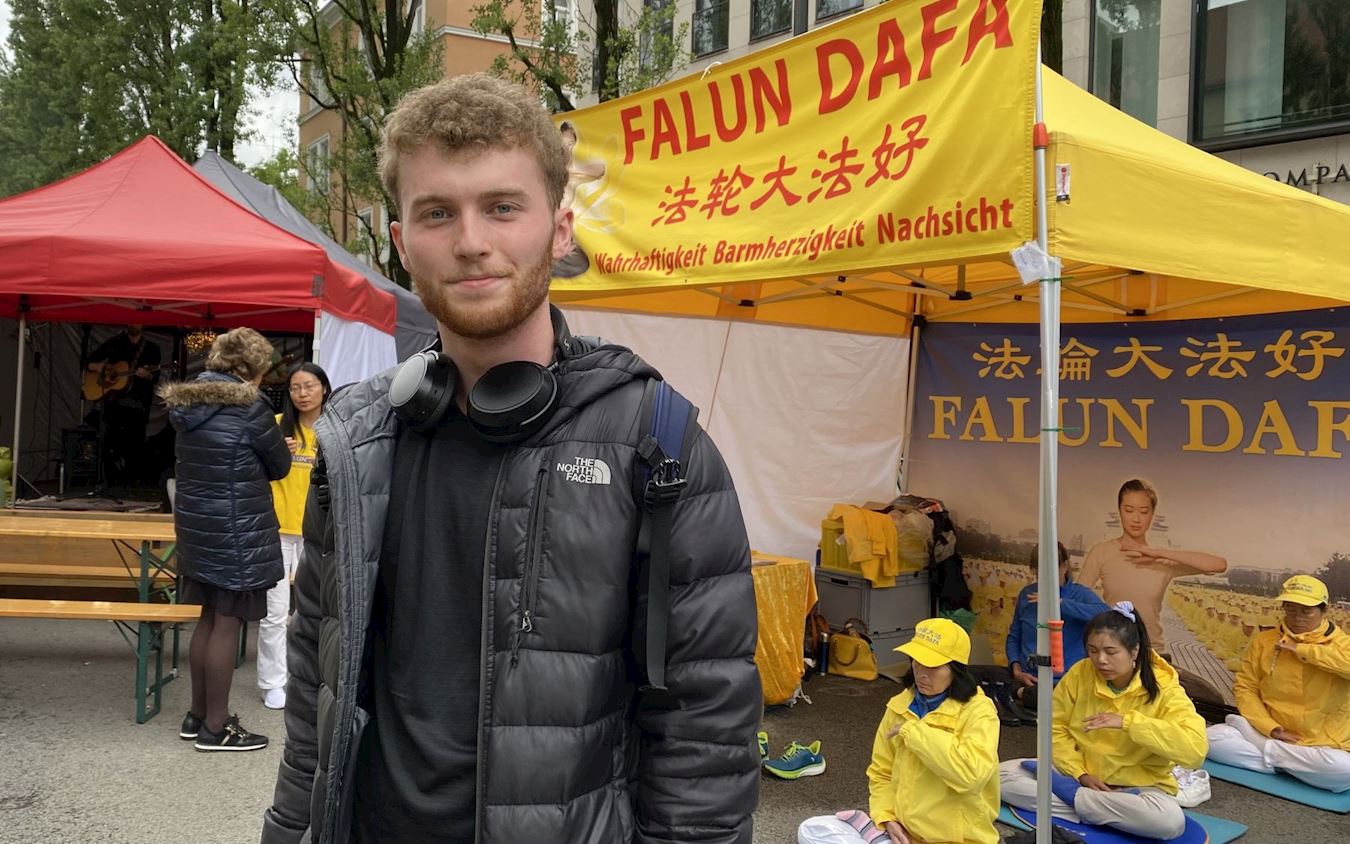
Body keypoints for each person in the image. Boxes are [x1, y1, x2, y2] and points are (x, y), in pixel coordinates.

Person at [261, 73, 761, 844]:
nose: (470, 241)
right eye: (437, 212)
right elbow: (313, 704)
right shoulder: (355, 442)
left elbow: (706, 740)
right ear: (400, 242)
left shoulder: (658, 443)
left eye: (502, 206)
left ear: (560, 231)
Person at [160, 328, 291, 752]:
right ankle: (217, 729)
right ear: (251, 368)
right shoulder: (250, 408)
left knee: (209, 618)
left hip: (197, 527)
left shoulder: (187, 404)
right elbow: (280, 465)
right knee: (228, 623)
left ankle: (197, 715)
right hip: (237, 529)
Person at [1000, 604, 1208, 839]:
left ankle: (1078, 804)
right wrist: (1080, 774)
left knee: (1169, 822)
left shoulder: (1165, 688)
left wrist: (1128, 723)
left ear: (1134, 651)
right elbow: (1054, 728)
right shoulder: (1080, 673)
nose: (1100, 660)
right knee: (1001, 776)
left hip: (1138, 788)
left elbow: (1195, 750)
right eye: (1093, 651)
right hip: (1077, 775)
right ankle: (1101, 810)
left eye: (1111, 652)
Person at [798, 618, 1001, 844]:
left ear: (956, 669)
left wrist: (914, 732)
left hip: (957, 839)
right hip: (904, 834)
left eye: (932, 666)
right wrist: (887, 817)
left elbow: (971, 776)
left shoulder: (979, 711)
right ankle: (877, 835)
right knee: (811, 829)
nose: (921, 673)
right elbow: (881, 772)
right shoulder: (900, 704)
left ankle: (872, 835)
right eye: (916, 661)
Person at [1207, 574, 1350, 793]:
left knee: (1344, 770)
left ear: (1324, 611)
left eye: (1306, 611)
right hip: (1271, 731)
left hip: (1323, 743)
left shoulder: (1343, 644)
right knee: (1211, 738)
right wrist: (1270, 728)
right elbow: (1246, 687)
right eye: (1290, 609)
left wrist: (1303, 650)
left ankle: (1267, 753)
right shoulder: (1264, 641)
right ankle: (1289, 763)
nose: (1297, 617)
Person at [1079, 479, 1227, 656]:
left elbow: (1219, 565)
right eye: (1129, 510)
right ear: (1119, 511)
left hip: (1152, 651)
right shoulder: (1102, 552)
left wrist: (1158, 553)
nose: (1136, 519)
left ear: (1152, 514)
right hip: (1112, 651)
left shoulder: (1161, 560)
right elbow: (1077, 597)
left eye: (1144, 511)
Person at [257, 363, 331, 711]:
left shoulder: (335, 429)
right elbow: (251, 473)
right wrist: (276, 456)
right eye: (296, 387)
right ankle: (272, 682)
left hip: (317, 532)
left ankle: (311, 677)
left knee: (313, 612)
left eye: (309, 386)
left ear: (324, 388)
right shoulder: (275, 427)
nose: (303, 394)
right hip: (276, 530)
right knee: (274, 614)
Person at [1004, 542, 1110, 709]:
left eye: (1052, 569)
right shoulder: (1026, 594)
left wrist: (1059, 603)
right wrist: (1016, 668)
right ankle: (1021, 692)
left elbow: (1106, 613)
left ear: (1065, 566)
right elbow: (1014, 636)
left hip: (1064, 682)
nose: (1046, 576)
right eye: (1040, 571)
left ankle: (1022, 694)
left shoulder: (1079, 594)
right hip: (1027, 677)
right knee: (981, 679)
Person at [84, 323, 163, 485]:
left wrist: (147, 375)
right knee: (110, 440)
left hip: (138, 403)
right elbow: (87, 362)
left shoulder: (151, 349)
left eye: (137, 322)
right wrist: (98, 367)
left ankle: (131, 482)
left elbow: (155, 377)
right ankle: (108, 481)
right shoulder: (115, 343)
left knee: (135, 443)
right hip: (113, 402)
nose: (134, 324)